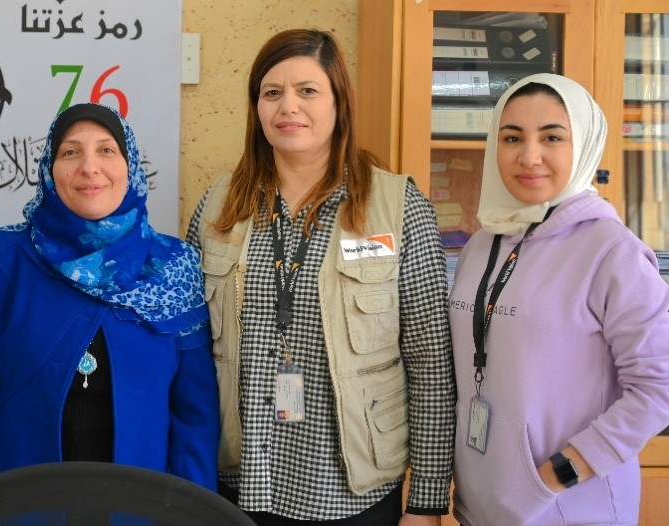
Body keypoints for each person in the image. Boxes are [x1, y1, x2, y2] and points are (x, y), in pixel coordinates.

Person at [187, 29, 456, 525]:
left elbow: (431, 364)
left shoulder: (398, 208)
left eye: (308, 91)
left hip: (351, 490)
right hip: (239, 480)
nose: (288, 106)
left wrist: (427, 499)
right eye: (272, 93)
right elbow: (187, 352)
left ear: (339, 103)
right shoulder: (217, 207)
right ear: (257, 108)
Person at [0, 102, 219, 503]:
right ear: (49, 170)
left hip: (140, 506)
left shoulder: (173, 266)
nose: (89, 166)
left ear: (130, 164)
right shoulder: (3, 257)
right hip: (17, 504)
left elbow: (195, 417)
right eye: (70, 152)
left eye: (106, 150)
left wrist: (195, 513)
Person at [448, 73, 669, 526]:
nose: (529, 156)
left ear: (584, 145)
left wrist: (557, 474)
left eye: (552, 137)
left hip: (568, 509)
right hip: (482, 509)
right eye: (512, 137)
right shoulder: (480, 245)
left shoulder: (612, 251)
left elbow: (658, 387)